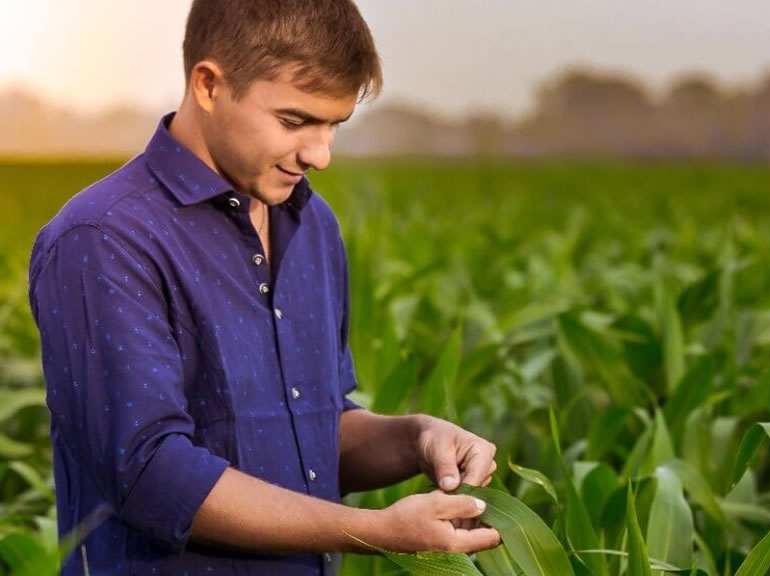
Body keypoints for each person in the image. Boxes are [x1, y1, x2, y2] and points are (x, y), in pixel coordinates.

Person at [27, 1, 502, 574]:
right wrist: (375, 531)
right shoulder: (103, 238)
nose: (319, 155)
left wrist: (417, 439)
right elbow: (150, 473)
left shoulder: (312, 224)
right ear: (208, 85)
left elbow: (313, 427)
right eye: (295, 121)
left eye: (334, 125)